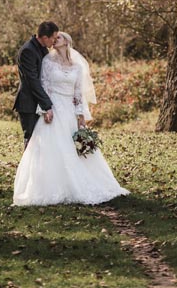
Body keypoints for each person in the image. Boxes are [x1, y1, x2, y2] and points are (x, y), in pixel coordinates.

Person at [13, 31, 129, 206]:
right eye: (53, 37)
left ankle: (89, 183)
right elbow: (43, 85)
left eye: (58, 38)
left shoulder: (77, 66)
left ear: (66, 42)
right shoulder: (47, 62)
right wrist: (46, 109)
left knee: (76, 148)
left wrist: (80, 114)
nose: (54, 40)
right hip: (54, 108)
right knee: (53, 147)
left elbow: (78, 93)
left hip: (69, 110)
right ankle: (54, 185)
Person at [13, 21, 59, 149]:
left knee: (42, 142)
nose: (54, 42)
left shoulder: (43, 48)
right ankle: (27, 169)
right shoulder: (28, 50)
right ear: (45, 38)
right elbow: (33, 81)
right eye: (53, 38)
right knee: (31, 141)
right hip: (28, 104)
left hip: (39, 101)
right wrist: (47, 105)